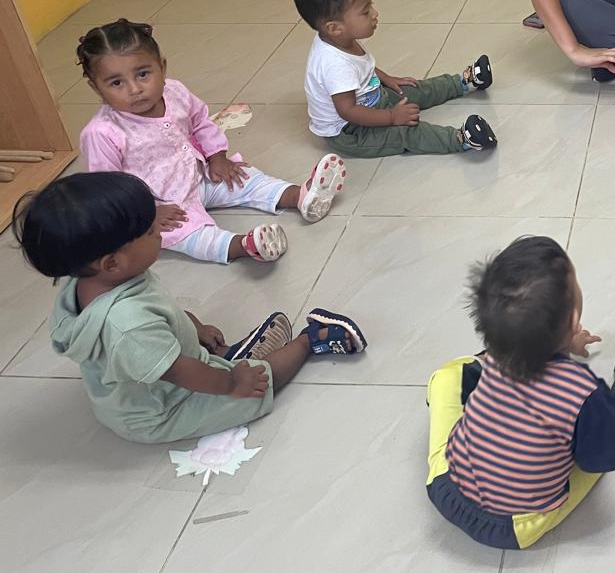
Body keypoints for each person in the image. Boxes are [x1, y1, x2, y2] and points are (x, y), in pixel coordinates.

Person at [15, 172, 367, 444]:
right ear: (112, 263)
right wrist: (232, 382)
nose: (159, 233)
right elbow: (177, 371)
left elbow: (153, 316)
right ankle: (309, 340)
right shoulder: (128, 324)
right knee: (258, 386)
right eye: (150, 232)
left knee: (212, 362)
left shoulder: (91, 281)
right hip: (160, 411)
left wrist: (191, 326)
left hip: (141, 383)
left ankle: (230, 356)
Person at [426, 236, 615, 550]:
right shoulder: (580, 391)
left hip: (446, 489)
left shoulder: (497, 355)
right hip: (516, 526)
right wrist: (597, 421)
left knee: (449, 376)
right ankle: (611, 409)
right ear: (574, 319)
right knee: (594, 447)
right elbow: (607, 459)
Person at [77, 18, 346, 265]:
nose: (134, 89)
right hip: (163, 204)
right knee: (188, 234)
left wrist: (217, 157)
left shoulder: (174, 91)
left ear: (162, 66)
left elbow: (200, 121)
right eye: (116, 83)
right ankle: (243, 246)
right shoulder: (102, 132)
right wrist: (147, 215)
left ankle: (300, 195)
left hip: (201, 175)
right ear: (95, 87)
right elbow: (108, 190)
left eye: (143, 74)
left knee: (244, 178)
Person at [293, 0, 498, 157]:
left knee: (415, 89)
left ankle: (463, 82)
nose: (375, 14)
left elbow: (362, 67)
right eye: (365, 12)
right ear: (334, 27)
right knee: (404, 132)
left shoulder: (339, 38)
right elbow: (348, 111)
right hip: (352, 130)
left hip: (372, 99)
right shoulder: (334, 65)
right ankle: (462, 139)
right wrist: (392, 117)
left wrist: (386, 78)